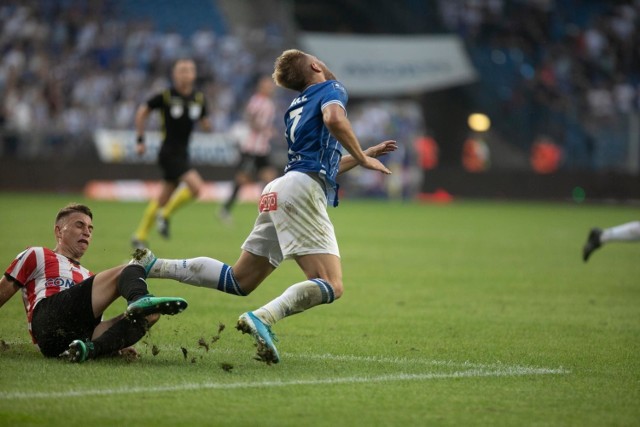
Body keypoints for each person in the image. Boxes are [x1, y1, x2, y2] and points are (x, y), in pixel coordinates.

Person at [140, 49, 397, 364]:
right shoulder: (332, 88)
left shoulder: (295, 106)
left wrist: (363, 153)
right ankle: (261, 317)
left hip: (280, 188)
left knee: (240, 279)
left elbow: (321, 163)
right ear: (315, 66)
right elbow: (334, 118)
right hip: (300, 191)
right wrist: (361, 157)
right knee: (332, 284)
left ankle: (155, 266)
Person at [0, 203, 187, 363]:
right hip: (47, 320)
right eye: (79, 225)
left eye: (90, 228)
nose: (86, 232)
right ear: (58, 231)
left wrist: (118, 343)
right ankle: (139, 298)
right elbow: (3, 291)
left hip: (64, 342)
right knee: (135, 263)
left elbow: (95, 327)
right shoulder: (37, 254)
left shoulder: (88, 276)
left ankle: (90, 350)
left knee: (151, 315)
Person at [131, 58, 212, 249]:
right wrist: (140, 140)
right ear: (174, 74)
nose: (186, 73)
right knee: (196, 187)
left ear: (194, 74)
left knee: (163, 197)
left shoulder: (198, 98)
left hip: (183, 153)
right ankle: (165, 215)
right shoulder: (166, 96)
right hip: (168, 152)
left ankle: (139, 235)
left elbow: (205, 122)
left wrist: (208, 126)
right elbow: (142, 111)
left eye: (190, 70)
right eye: (182, 70)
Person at [219, 75, 278, 222]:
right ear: (261, 87)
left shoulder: (269, 103)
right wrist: (264, 129)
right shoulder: (257, 100)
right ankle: (225, 209)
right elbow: (250, 117)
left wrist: (268, 130)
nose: (270, 87)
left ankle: (266, 211)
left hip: (262, 148)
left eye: (270, 85)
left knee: (269, 177)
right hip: (252, 148)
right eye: (267, 85)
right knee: (242, 178)